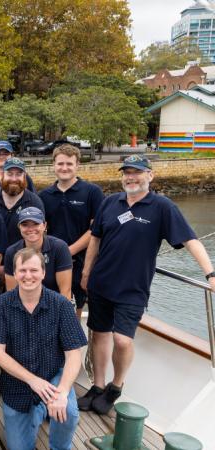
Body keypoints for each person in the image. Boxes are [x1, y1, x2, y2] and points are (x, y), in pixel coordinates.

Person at [80, 155, 215, 415]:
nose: (131, 177)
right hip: (101, 283)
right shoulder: (110, 203)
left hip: (133, 289)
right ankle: (97, 386)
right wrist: (86, 272)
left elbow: (190, 241)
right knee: (98, 333)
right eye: (126, 173)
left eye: (137, 172)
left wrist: (210, 274)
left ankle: (115, 386)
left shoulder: (162, 207)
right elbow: (95, 239)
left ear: (150, 176)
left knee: (122, 340)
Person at [0, 247, 87, 450]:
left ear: (43, 273)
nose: (28, 276)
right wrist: (32, 381)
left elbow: (73, 355)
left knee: (67, 410)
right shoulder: (1, 305)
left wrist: (62, 391)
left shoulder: (61, 305)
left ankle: (59, 447)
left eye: (34, 270)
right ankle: (40, 409)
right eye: (22, 270)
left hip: (52, 375)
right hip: (17, 383)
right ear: (14, 274)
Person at [38, 144, 105, 315]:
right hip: (50, 263)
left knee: (73, 311)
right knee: (47, 309)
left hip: (81, 264)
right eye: (60, 164)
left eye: (69, 164)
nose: (64, 168)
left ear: (77, 165)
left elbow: (96, 229)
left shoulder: (92, 192)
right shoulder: (44, 196)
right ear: (53, 165)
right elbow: (39, 230)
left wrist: (68, 251)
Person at [4, 207, 73, 300]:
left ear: (44, 225)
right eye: (25, 225)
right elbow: (12, 294)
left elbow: (65, 292)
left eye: (36, 224)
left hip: (56, 304)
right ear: (19, 227)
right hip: (25, 304)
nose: (30, 229)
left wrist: (60, 313)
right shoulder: (11, 252)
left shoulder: (60, 248)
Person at [0, 157, 44, 247]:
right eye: (9, 174)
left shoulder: (34, 202)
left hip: (22, 258)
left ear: (24, 176)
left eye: (18, 174)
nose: (14, 179)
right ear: (2, 175)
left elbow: (40, 236)